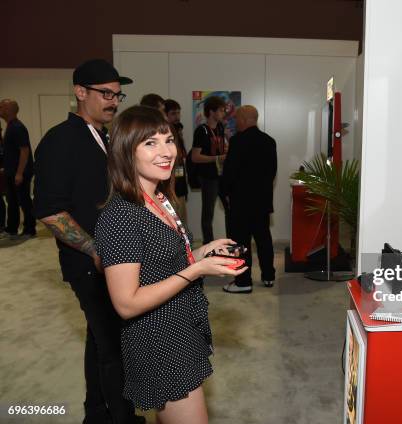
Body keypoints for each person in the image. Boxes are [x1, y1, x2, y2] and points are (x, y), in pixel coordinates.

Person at [95, 105, 246, 424]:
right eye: (150, 143)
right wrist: (196, 271)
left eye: (168, 140)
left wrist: (204, 251)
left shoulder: (159, 198)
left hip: (181, 326)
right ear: (126, 152)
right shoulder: (121, 216)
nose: (166, 152)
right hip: (159, 341)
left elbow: (163, 260)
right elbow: (126, 303)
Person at [33, 59, 144, 424]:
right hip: (89, 265)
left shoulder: (103, 136)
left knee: (99, 339)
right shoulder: (60, 140)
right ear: (80, 92)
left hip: (113, 261)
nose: (114, 101)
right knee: (115, 348)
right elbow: (51, 211)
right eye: (105, 94)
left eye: (117, 94)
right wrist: (96, 249)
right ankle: (122, 417)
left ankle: (96, 412)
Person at [221, 105, 277, 293]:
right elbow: (272, 173)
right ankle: (268, 276)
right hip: (262, 201)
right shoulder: (270, 141)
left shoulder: (237, 141)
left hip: (241, 202)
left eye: (237, 118)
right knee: (263, 238)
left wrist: (224, 193)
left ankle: (243, 282)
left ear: (244, 119)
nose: (235, 122)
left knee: (240, 243)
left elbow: (229, 172)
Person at [191, 96, 229, 243]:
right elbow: (195, 157)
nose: (223, 113)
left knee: (228, 208)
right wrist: (217, 159)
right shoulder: (201, 131)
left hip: (221, 174)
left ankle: (230, 241)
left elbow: (220, 149)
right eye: (220, 110)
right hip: (208, 176)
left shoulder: (220, 127)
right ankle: (209, 245)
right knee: (208, 213)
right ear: (211, 112)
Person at [0, 99, 36, 239]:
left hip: (19, 173)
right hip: (12, 172)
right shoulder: (10, 126)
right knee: (12, 201)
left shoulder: (17, 127)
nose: (0, 109)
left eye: (2, 106)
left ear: (9, 110)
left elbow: (24, 151)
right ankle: (12, 228)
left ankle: (29, 229)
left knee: (23, 201)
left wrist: (19, 173)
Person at [165, 99, 188, 222]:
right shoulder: (166, 133)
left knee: (182, 220)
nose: (177, 117)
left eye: (178, 113)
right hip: (170, 187)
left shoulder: (178, 131)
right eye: (173, 113)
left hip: (180, 183)